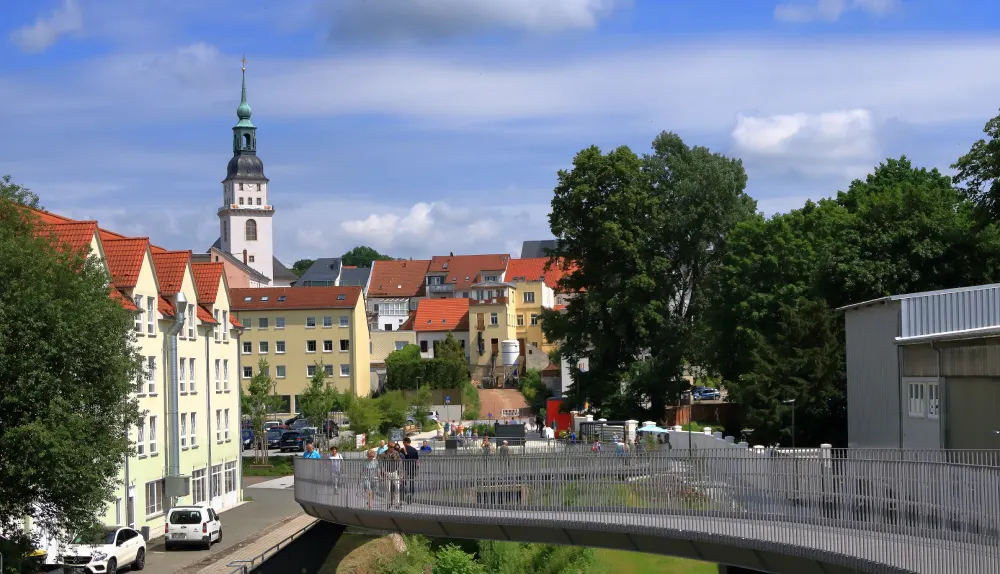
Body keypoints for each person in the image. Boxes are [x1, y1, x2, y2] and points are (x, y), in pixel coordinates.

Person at [379, 440, 403, 508]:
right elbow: (379, 461)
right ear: (388, 446)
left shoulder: (396, 453)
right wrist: (381, 471)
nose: (392, 448)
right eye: (391, 447)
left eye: (393, 447)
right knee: (388, 488)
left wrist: (396, 460)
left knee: (397, 487)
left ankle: (397, 504)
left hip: (394, 471)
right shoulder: (384, 453)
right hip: (387, 472)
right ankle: (388, 503)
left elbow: (400, 461)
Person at [402, 437, 419, 503]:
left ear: (406, 442)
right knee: (412, 481)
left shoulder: (403, 449)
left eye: (403, 442)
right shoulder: (414, 450)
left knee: (404, 481)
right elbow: (417, 459)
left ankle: (406, 494)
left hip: (405, 468)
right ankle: (412, 495)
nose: (403, 443)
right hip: (413, 468)